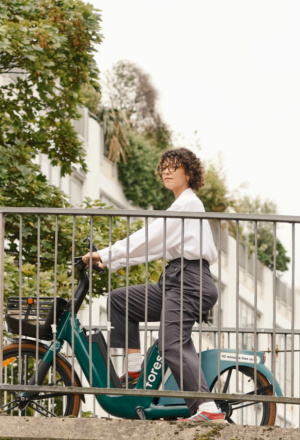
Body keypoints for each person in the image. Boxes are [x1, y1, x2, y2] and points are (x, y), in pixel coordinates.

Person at [82, 147, 224, 423]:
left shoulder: (187, 205)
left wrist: (106, 254)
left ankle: (207, 407)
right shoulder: (180, 206)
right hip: (174, 280)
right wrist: (110, 262)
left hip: (190, 281)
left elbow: (147, 237)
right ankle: (135, 369)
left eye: (174, 167)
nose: (167, 172)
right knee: (120, 300)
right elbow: (152, 249)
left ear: (189, 172)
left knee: (172, 345)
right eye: (164, 168)